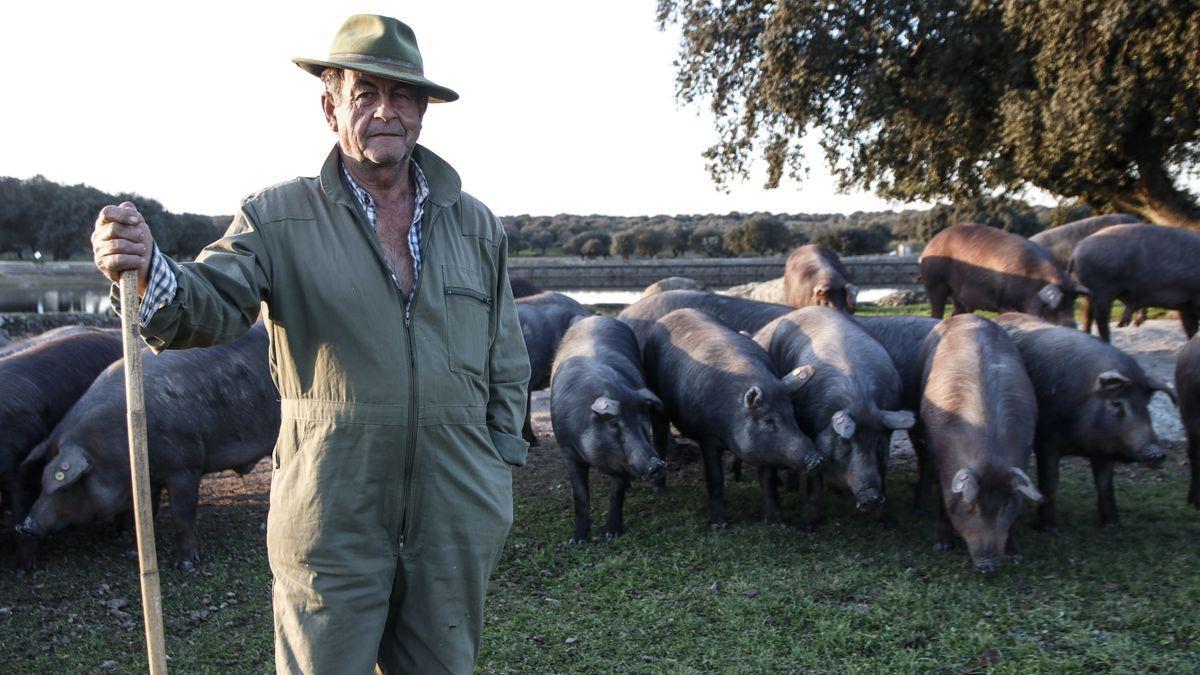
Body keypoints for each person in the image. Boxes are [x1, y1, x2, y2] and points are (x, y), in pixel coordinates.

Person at [90, 14, 530, 674]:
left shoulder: (475, 225)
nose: (387, 111)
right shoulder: (276, 217)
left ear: (423, 111)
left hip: (454, 516)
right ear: (330, 107)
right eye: (366, 93)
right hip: (331, 515)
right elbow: (210, 302)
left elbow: (507, 356)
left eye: (404, 95)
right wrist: (151, 270)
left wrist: (496, 466)